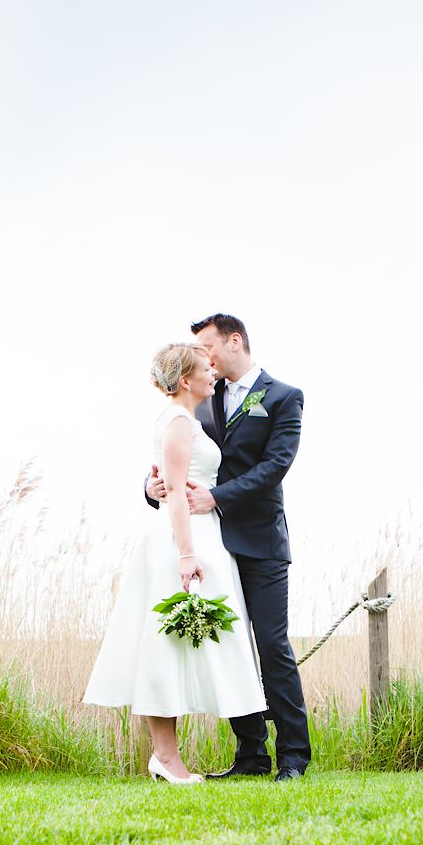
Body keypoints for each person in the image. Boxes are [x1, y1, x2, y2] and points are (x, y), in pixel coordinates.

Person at [84, 343, 267, 784]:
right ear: (186, 380)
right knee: (165, 646)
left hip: (198, 539)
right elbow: (179, 501)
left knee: (185, 645)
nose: (213, 372)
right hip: (182, 544)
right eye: (206, 368)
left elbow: (172, 485)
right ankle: (165, 757)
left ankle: (178, 755)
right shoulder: (180, 422)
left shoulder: (183, 420)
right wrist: (187, 556)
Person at [145, 313, 311, 781]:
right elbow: (174, 451)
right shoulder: (200, 394)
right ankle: (252, 756)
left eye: (209, 348)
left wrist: (215, 497)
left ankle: (294, 757)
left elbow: (275, 466)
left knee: (272, 645)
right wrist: (152, 485)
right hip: (211, 542)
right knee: (231, 645)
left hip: (259, 540)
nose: (205, 359)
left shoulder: (283, 398)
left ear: (234, 341)